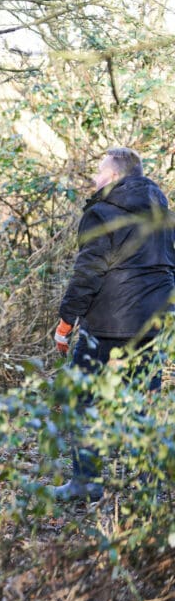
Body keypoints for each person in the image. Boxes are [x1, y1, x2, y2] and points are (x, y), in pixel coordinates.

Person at [52, 147, 175, 501]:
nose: (94, 178)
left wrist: (66, 322)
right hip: (155, 322)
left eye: (99, 171)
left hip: (108, 323)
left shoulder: (101, 211)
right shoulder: (162, 212)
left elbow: (88, 272)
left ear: (116, 176)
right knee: (141, 404)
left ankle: (86, 483)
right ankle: (147, 491)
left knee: (80, 399)